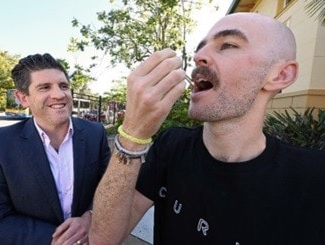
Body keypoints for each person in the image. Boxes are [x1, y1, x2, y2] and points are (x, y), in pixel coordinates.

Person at [89, 12, 325, 244]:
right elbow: (103, 239)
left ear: (281, 75)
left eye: (228, 45)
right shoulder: (171, 147)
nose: (199, 56)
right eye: (200, 48)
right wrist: (133, 132)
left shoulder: (314, 177)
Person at [0, 53, 111, 245]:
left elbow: (110, 186)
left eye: (63, 86)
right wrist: (57, 239)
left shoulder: (95, 134)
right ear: (23, 98)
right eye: (44, 87)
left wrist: (90, 217)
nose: (59, 94)